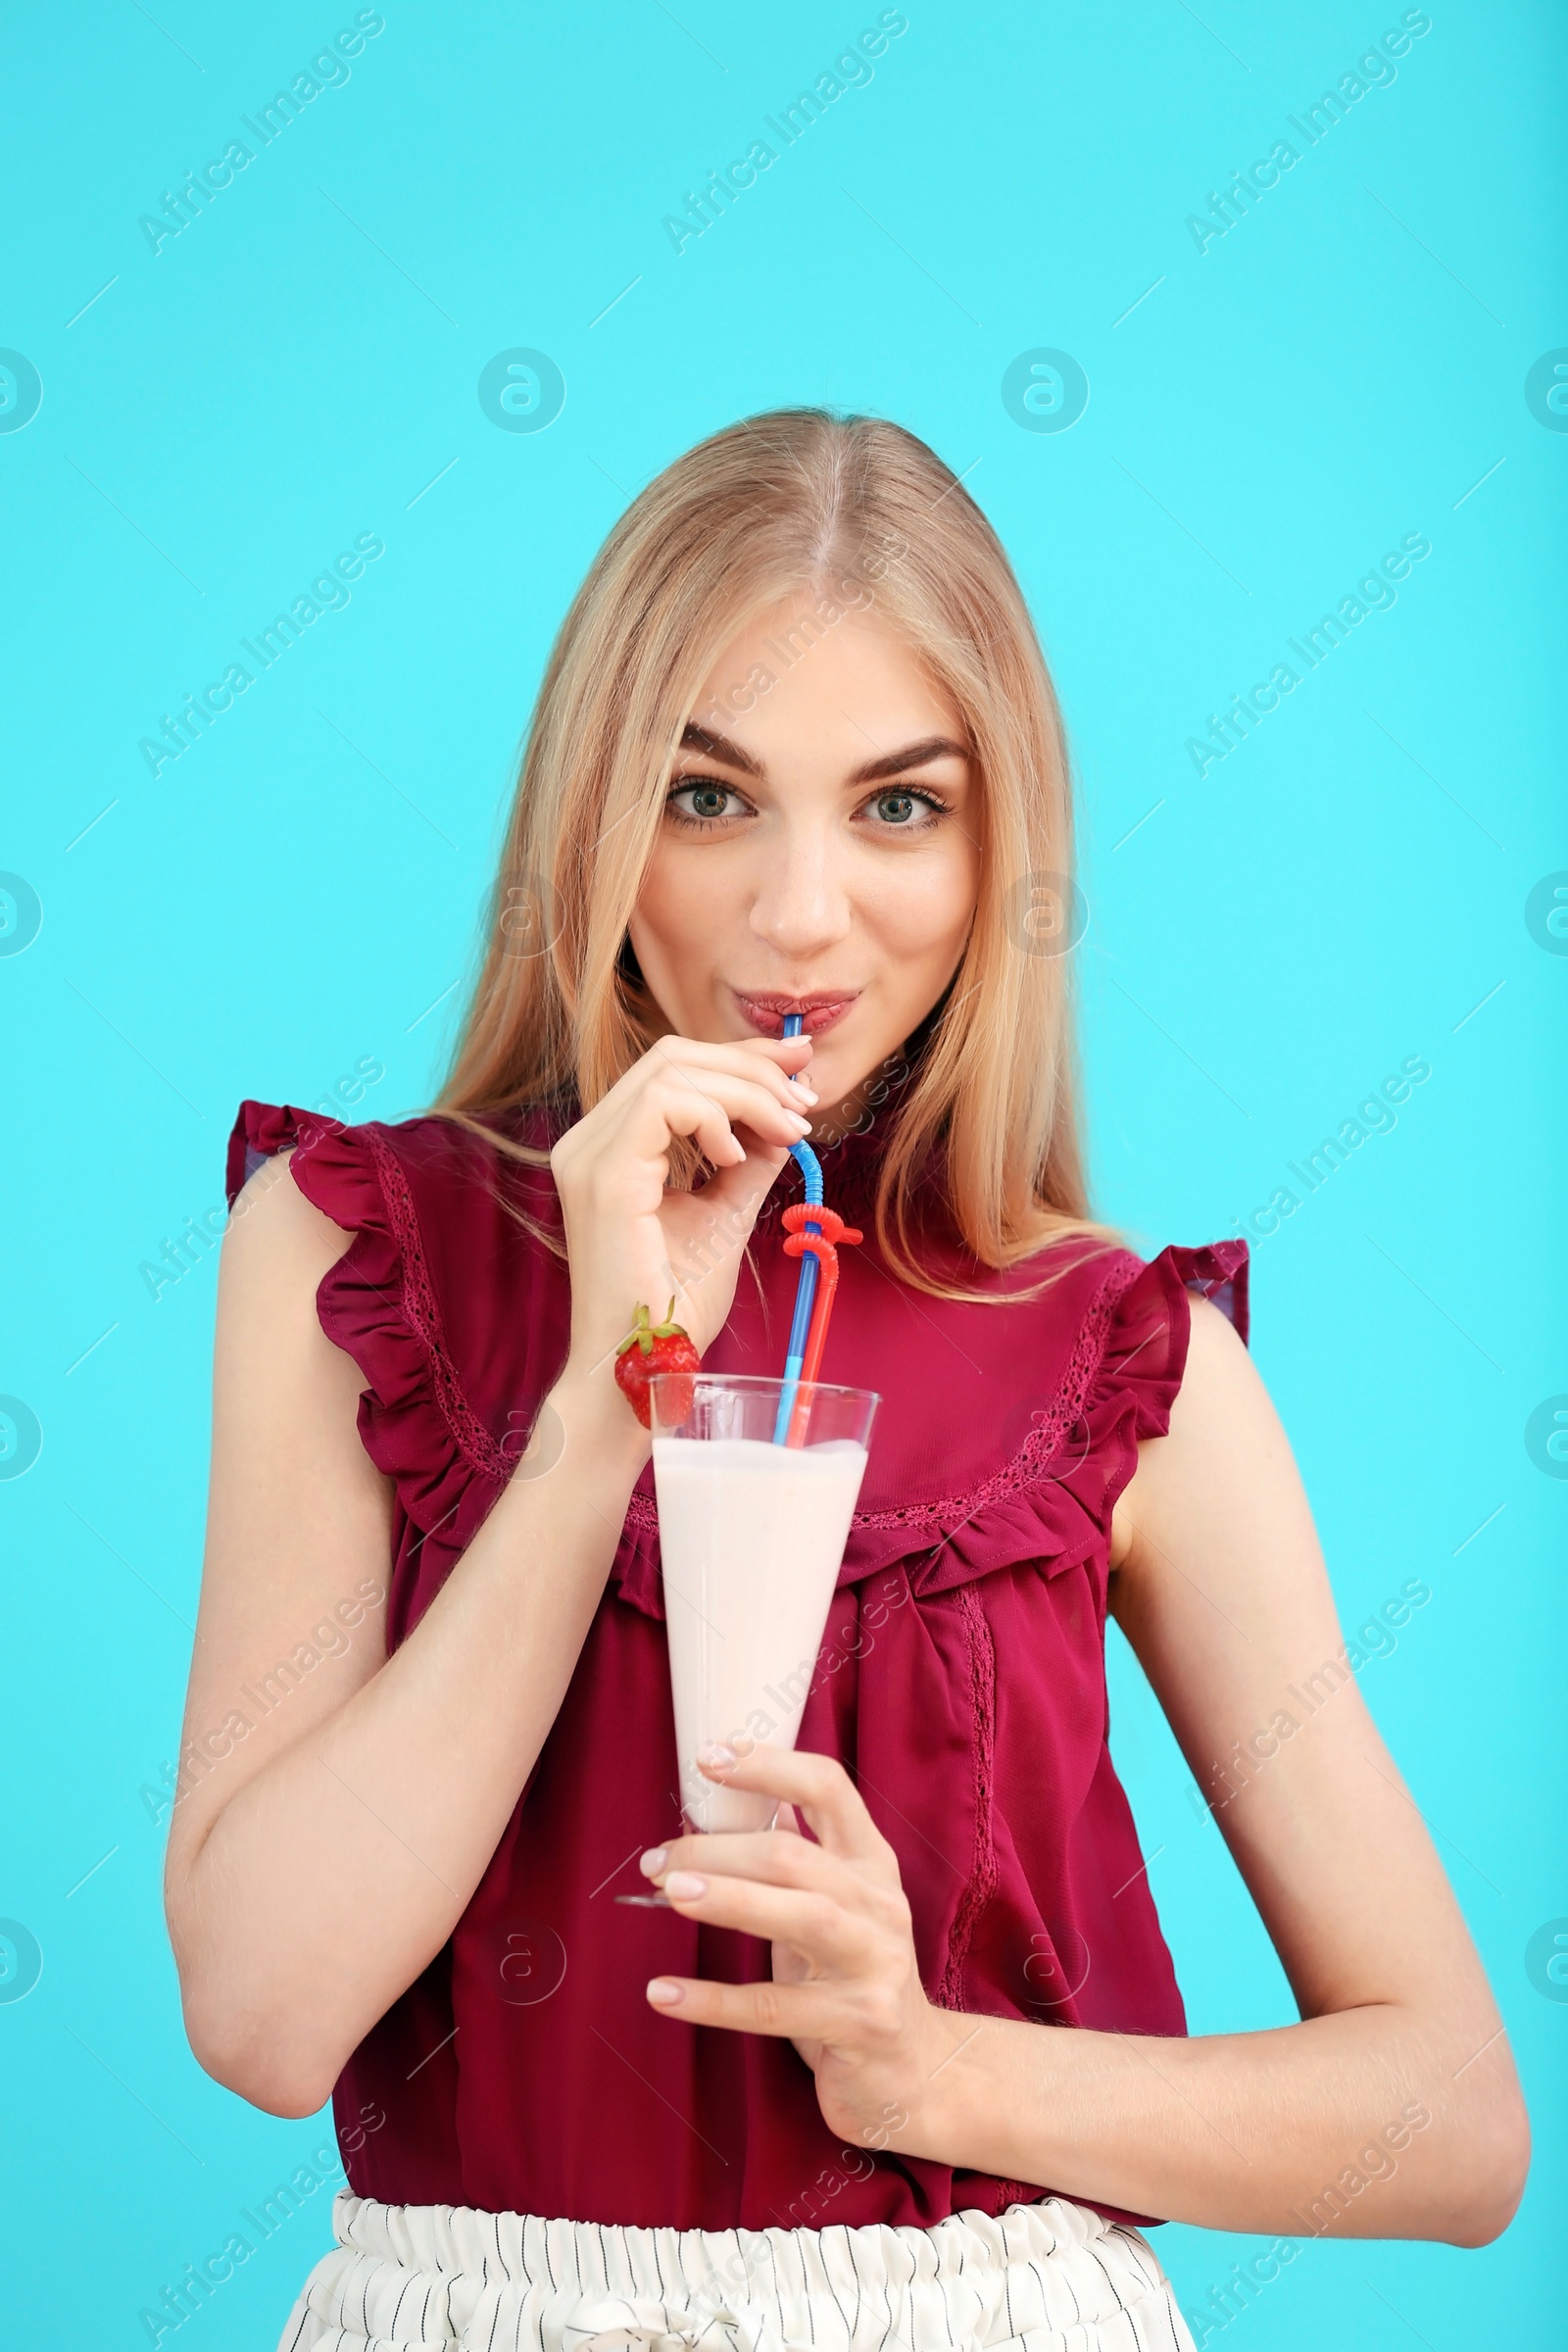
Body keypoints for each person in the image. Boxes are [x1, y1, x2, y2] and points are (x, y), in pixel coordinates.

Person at [165, 411, 1528, 2352]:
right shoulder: (350, 1248)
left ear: (1001, 852)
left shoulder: (1125, 1356)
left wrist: (934, 2079)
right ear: (593, 819)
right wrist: (597, 1406)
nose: (796, 917)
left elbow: (1448, 2128)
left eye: (897, 807)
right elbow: (263, 2014)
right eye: (707, 797)